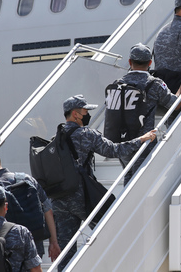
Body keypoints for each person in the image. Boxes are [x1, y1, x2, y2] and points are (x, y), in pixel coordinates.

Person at [54, 94, 157, 270]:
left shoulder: (56, 137)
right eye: (85, 111)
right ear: (75, 114)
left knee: (66, 251)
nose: (87, 114)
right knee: (111, 228)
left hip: (59, 200)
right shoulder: (86, 134)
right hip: (81, 197)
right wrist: (142, 139)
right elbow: (114, 150)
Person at [105, 43, 181, 184]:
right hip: (144, 142)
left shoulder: (118, 83)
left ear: (130, 62)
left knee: (129, 178)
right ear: (150, 63)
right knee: (142, 182)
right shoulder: (154, 84)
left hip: (122, 142)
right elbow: (175, 105)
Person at [0, 149, 61, 262]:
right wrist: (53, 242)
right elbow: (48, 209)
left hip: (6, 250)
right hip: (35, 246)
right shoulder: (27, 179)